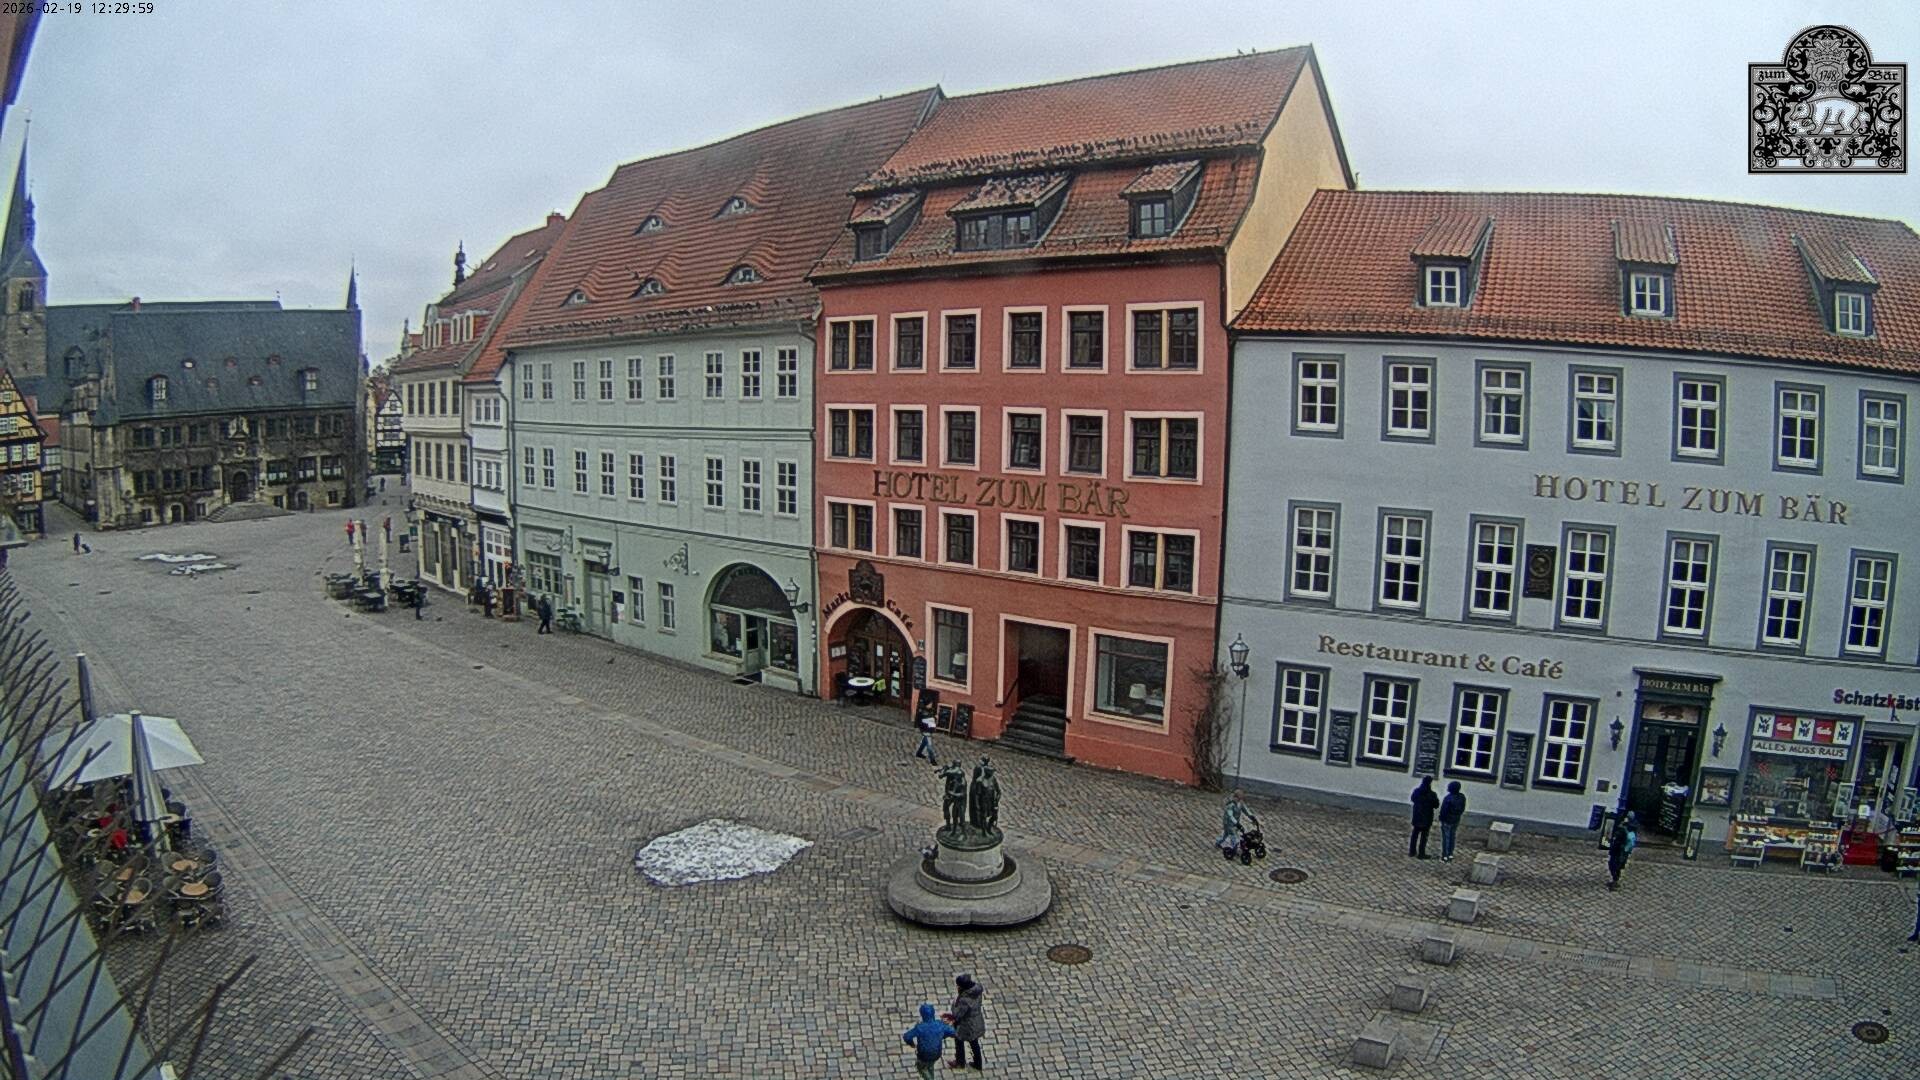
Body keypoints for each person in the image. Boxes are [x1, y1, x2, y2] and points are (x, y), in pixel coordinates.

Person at [901, 1003, 955, 1079]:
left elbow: (907, 1036)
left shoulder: (920, 1027)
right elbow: (953, 1032)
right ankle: (930, 1073)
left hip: (923, 1055)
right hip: (936, 1053)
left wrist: (912, 1044)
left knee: (922, 1068)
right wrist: (942, 1035)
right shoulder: (940, 1025)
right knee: (930, 1065)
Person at [945, 973, 985, 1070]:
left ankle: (960, 1062)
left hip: (967, 1025)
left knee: (958, 1040)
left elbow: (957, 1014)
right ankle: (978, 1064)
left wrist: (954, 1003)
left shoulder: (964, 1000)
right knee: (974, 1043)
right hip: (976, 1021)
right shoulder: (977, 991)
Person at [1409, 777, 1440, 858]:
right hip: (1427, 818)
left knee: (1414, 834)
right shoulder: (1432, 794)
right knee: (1424, 837)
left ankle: (1412, 851)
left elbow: (1412, 799)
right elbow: (1436, 805)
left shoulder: (1417, 791)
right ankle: (1421, 853)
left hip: (1417, 816)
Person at [1607, 811, 1638, 890]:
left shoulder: (1625, 827)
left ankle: (1615, 882)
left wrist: (1622, 824)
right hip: (1623, 850)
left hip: (1620, 849)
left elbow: (1619, 835)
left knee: (1614, 865)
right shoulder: (1632, 826)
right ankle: (1615, 881)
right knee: (1617, 865)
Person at [1438, 781, 1467, 862]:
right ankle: (1450, 854)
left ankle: (1445, 855)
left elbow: (1444, 810)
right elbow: (1462, 808)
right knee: (1452, 837)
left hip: (1447, 820)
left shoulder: (1448, 798)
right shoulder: (1462, 797)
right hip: (1456, 819)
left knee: (1446, 838)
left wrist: (1441, 818)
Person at [1217, 790, 1250, 860]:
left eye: (1241, 799)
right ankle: (1234, 848)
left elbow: (1246, 810)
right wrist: (1236, 823)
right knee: (1232, 835)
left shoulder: (1240, 804)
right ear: (1235, 797)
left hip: (1235, 824)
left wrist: (1251, 816)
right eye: (1238, 798)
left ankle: (1218, 842)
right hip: (1228, 823)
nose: (1240, 800)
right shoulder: (1231, 805)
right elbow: (1230, 816)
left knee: (1225, 835)